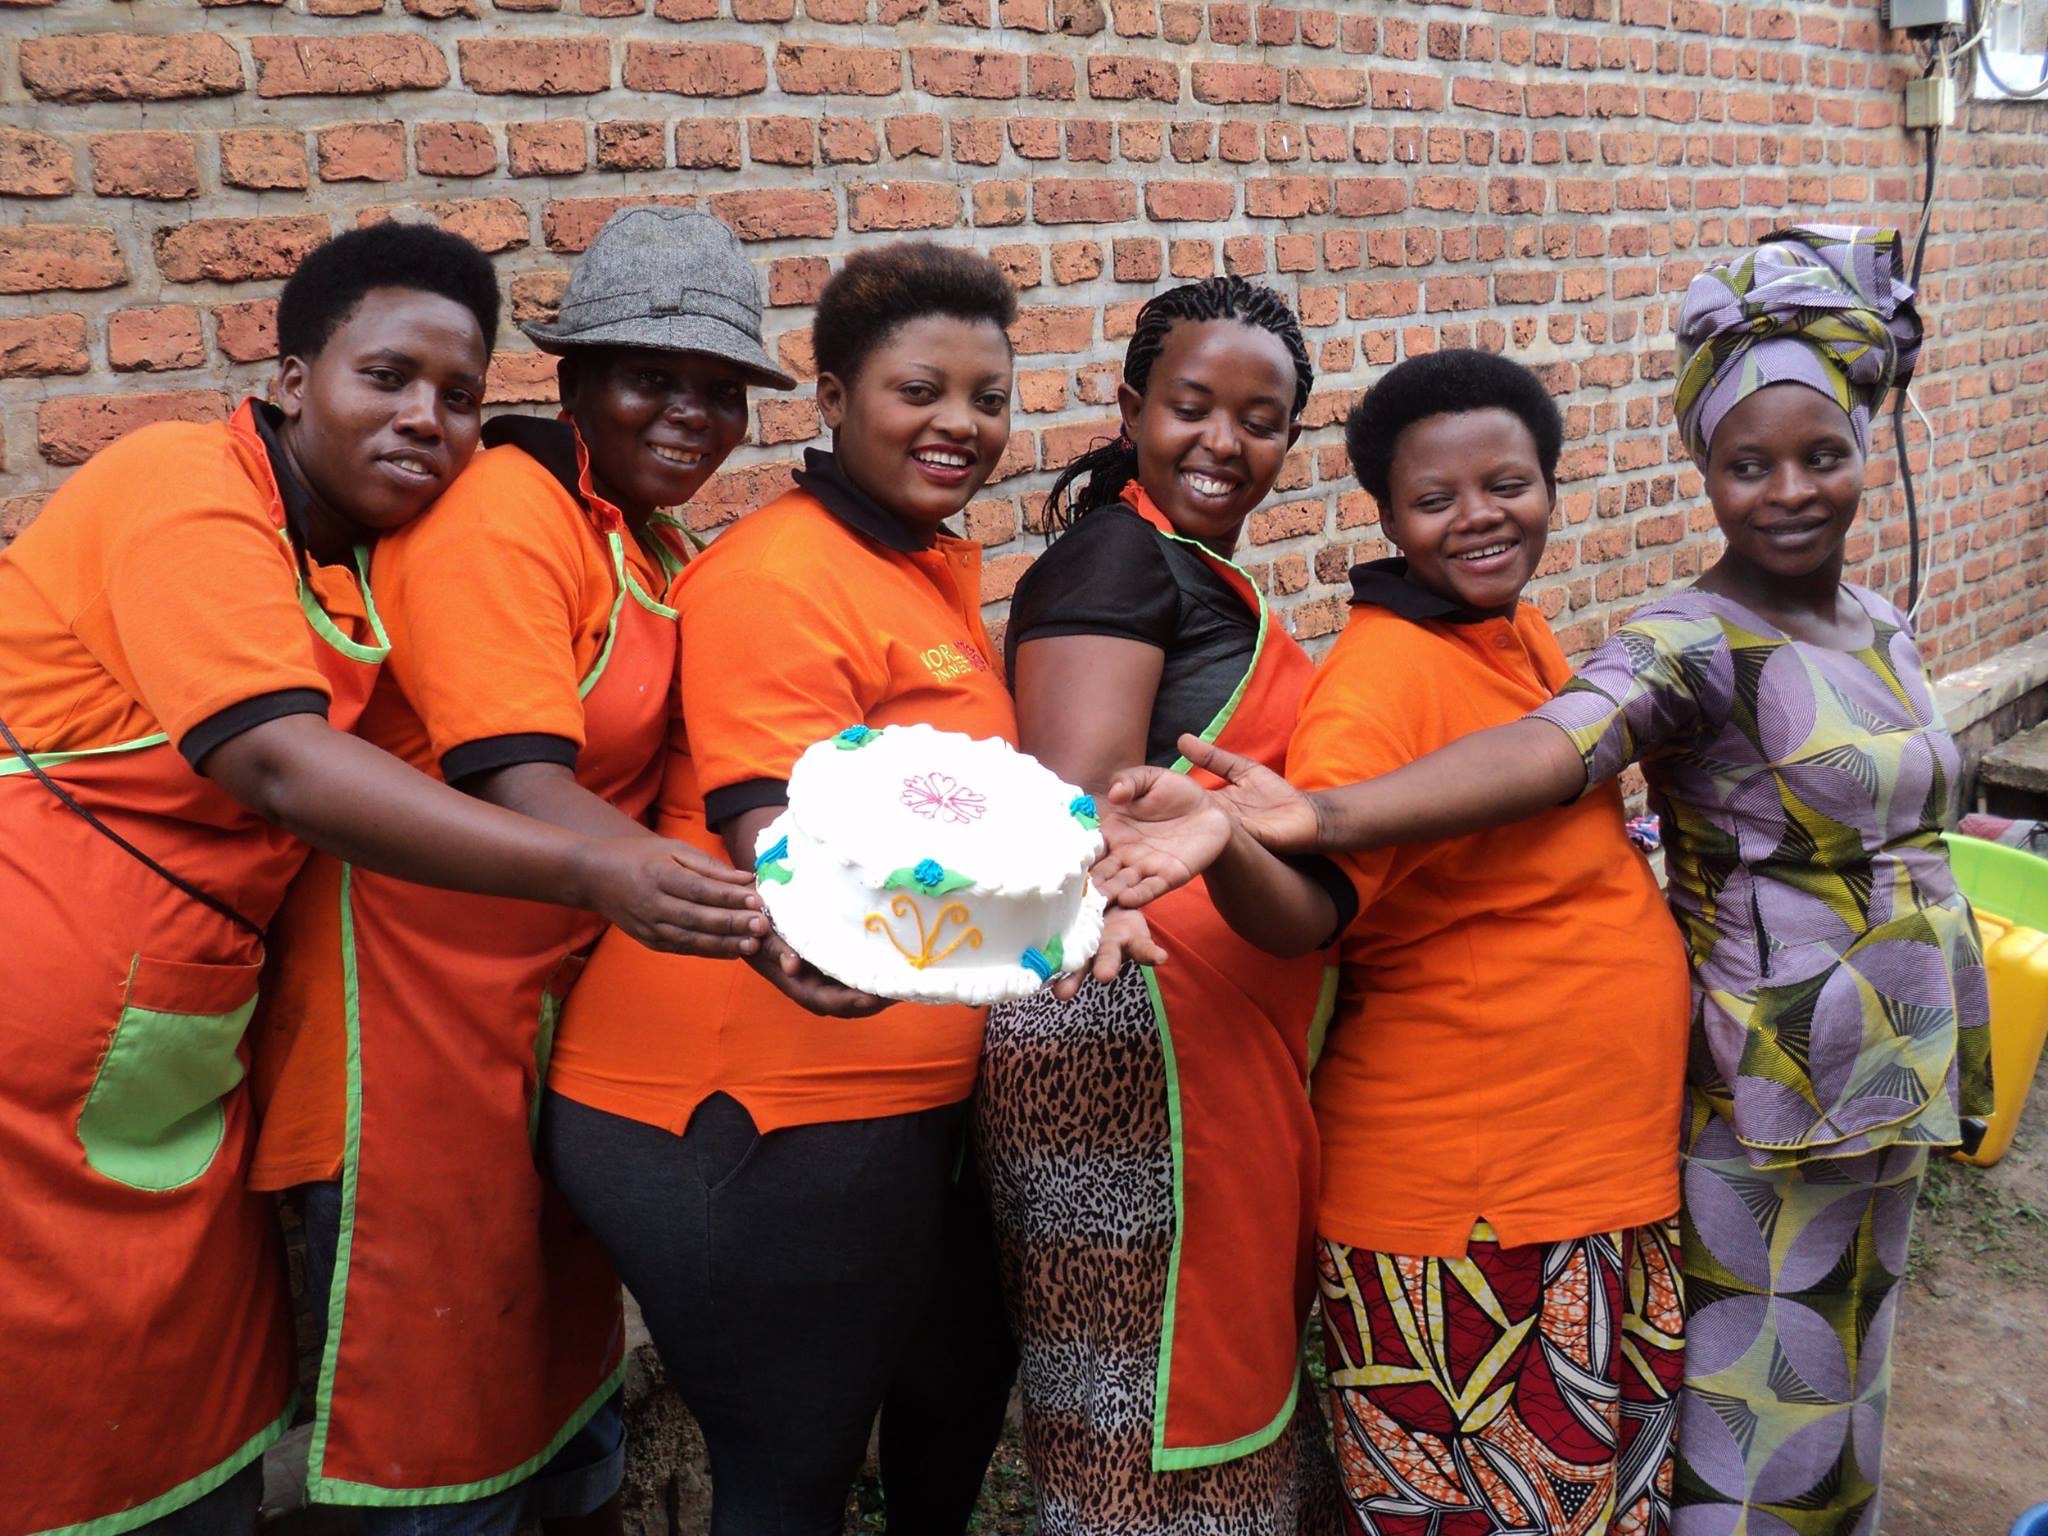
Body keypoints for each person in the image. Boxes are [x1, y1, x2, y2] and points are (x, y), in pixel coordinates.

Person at [1095, 227, 1990, 1534]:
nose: (1478, 517)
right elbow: (1431, 833)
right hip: (1484, 1209)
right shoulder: (1403, 679)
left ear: (1552, 488)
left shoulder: (1515, 632)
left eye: (1507, 484)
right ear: (1384, 515)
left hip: (1607, 1184)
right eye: (1435, 499)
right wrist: (1261, 832)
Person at [0, 223, 762, 1536]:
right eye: (387, 377)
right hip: (45, 1019)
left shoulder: (355, 548)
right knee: (58, 1414)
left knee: (178, 1416)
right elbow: (279, 763)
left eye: (458, 397)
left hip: (171, 1024)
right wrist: (599, 867)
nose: (427, 419)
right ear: (291, 377)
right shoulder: (180, 485)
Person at [539, 242, 1125, 1535]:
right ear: (832, 400)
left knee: (936, 1396)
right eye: (919, 390)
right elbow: (777, 828)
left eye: (986, 397)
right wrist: (817, 933)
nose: (959, 423)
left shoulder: (909, 565)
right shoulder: (780, 575)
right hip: (749, 1106)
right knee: (788, 1483)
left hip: (879, 1099)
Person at [245, 208, 789, 1533]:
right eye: (651, 376)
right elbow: (517, 778)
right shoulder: (505, 514)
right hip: (413, 1037)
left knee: (547, 1399)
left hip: (534, 1030)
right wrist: (759, 922)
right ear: (576, 376)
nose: (692, 415)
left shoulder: (641, 539)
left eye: (721, 390)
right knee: (436, 1431)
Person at [975, 277, 1345, 1535]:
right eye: (1191, 407)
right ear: (1132, 409)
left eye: (1259, 420)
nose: (1221, 443)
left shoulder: (1181, 567)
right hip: (1126, 1031)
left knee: (1190, 1381)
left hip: (1199, 1031)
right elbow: (1079, 802)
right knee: (1139, 1408)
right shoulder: (1114, 556)